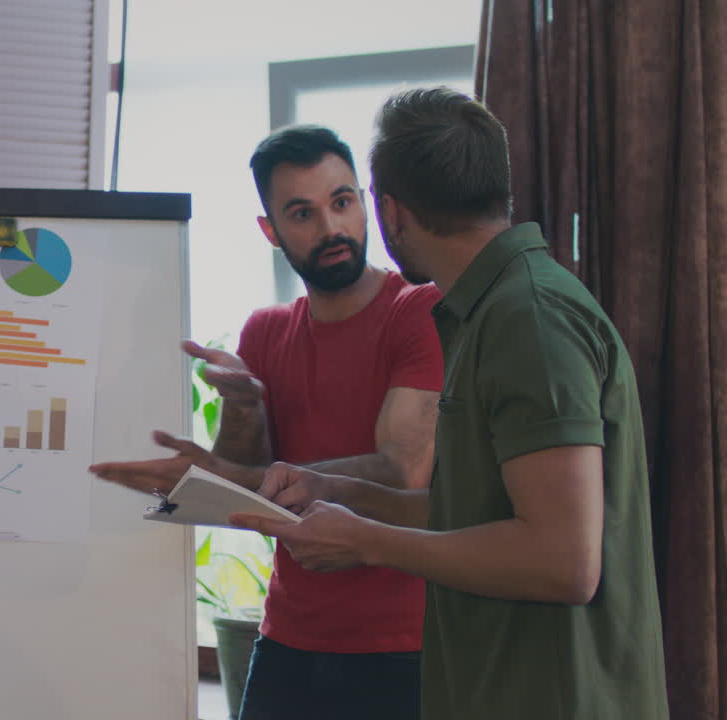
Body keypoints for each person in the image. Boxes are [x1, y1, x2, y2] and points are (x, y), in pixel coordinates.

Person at [230, 87, 670, 719]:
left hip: (551, 695)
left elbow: (563, 560)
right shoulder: (487, 311)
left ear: (388, 211)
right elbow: (480, 508)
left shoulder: (528, 319)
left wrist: (369, 542)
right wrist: (342, 493)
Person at [91, 125, 444, 720]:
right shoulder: (265, 330)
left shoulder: (418, 308)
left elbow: (403, 470)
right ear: (270, 231)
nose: (331, 228)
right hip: (289, 638)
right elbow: (247, 481)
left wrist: (243, 475)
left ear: (364, 203)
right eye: (302, 213)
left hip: (404, 644)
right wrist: (245, 406)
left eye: (342, 201)